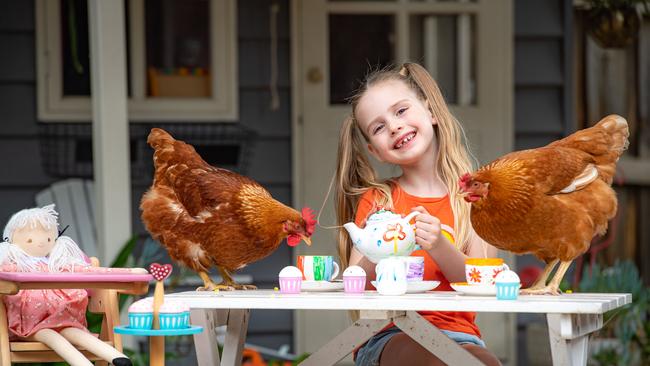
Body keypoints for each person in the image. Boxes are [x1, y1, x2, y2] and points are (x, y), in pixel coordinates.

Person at [335, 63, 501, 366]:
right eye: (379, 127)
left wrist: (439, 246)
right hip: (386, 335)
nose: (395, 127)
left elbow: (483, 284)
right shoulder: (379, 200)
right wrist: (379, 245)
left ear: (431, 112)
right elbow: (354, 282)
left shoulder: (473, 198)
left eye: (401, 111)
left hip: (460, 336)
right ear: (375, 151)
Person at [0, 204, 147, 366]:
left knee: (74, 332)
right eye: (29, 240)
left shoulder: (60, 264)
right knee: (50, 335)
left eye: (48, 239)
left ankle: (118, 358)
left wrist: (130, 272)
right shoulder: (16, 265)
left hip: (63, 318)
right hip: (31, 325)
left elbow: (92, 271)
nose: (41, 243)